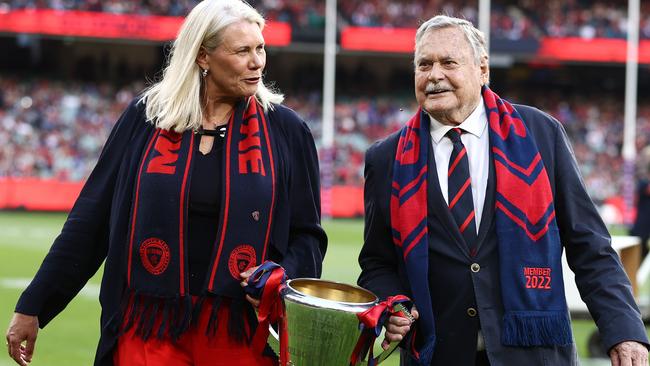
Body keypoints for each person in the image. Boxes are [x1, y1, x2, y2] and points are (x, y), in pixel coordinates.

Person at [5, 1, 327, 365]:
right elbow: (90, 221)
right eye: (242, 51)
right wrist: (34, 304)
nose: (257, 62)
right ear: (203, 56)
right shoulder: (145, 118)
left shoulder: (286, 131)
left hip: (240, 333)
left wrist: (281, 278)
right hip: (147, 328)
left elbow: (308, 237)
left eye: (260, 48)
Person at [357, 14, 648, 366]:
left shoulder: (541, 135)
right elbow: (377, 261)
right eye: (424, 64)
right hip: (439, 354)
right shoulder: (386, 158)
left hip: (534, 355)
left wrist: (624, 331)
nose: (434, 75)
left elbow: (590, 245)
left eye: (449, 62)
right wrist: (394, 304)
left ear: (482, 70)